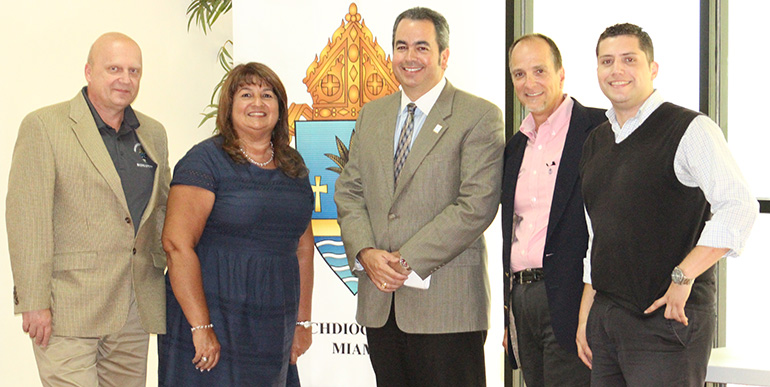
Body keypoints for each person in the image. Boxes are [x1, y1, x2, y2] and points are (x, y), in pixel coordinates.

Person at [576, 23, 758, 386]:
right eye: (607, 61)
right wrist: (586, 317)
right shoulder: (596, 140)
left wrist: (684, 274)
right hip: (608, 319)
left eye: (629, 59)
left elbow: (739, 206)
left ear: (652, 68)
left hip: (668, 322)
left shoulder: (689, 129)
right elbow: (600, 236)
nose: (617, 70)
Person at [335, 7, 504, 386]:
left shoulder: (478, 115)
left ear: (444, 56)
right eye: (401, 46)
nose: (410, 57)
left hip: (448, 307)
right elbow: (349, 190)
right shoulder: (372, 115)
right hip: (381, 305)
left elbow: (476, 205)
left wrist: (404, 261)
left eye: (422, 47)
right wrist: (365, 252)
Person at [6, 32, 170, 386]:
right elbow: (27, 217)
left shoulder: (152, 133)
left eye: (134, 71)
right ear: (88, 71)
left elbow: (161, 212)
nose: (125, 79)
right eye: (114, 68)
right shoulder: (44, 126)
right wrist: (33, 300)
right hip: (68, 307)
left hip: (134, 308)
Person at [158, 62, 314, 386]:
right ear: (230, 106)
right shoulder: (204, 161)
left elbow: (302, 247)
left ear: (280, 108)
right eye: (246, 94)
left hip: (273, 320)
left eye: (267, 95)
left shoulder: (293, 164)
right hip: (213, 311)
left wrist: (302, 321)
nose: (257, 103)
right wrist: (201, 327)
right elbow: (176, 245)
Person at [502, 33, 604, 387]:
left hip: (575, 297)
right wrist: (509, 314)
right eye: (518, 74)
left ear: (562, 74)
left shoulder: (600, 129)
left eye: (539, 71)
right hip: (522, 299)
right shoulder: (515, 147)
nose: (529, 83)